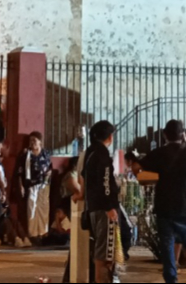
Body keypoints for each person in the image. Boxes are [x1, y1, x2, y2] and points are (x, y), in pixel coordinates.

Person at [134, 120, 186, 284]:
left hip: (164, 206)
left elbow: (137, 165)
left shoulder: (158, 153)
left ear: (165, 135)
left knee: (167, 246)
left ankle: (171, 279)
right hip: (185, 206)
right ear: (183, 134)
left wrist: (145, 177)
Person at [84, 121, 121, 284]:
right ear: (110, 137)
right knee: (105, 253)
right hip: (104, 210)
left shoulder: (90, 152)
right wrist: (109, 207)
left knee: (101, 250)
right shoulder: (102, 155)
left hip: (92, 207)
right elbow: (105, 182)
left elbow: (85, 178)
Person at [16, 132, 50, 245]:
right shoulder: (26, 155)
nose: (32, 143)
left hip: (44, 185)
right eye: (31, 141)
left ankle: (43, 232)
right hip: (31, 185)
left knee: (43, 208)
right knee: (32, 208)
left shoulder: (45, 154)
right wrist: (21, 185)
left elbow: (49, 169)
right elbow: (20, 171)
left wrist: (46, 180)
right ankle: (33, 234)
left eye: (34, 140)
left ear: (40, 141)